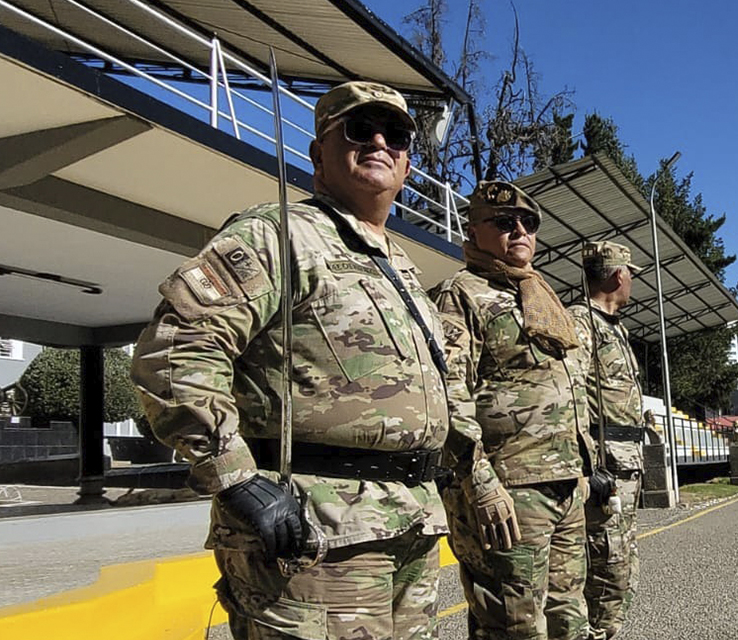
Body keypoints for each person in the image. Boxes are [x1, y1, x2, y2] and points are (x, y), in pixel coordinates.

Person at [132, 81, 452, 639]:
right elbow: (179, 349)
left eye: (396, 134)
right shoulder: (279, 235)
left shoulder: (398, 265)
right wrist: (232, 477)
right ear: (318, 154)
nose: (379, 140)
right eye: (359, 128)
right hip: (311, 538)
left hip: (408, 527)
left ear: (406, 161)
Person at [432, 180, 596, 640]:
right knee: (514, 625)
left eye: (529, 223)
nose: (519, 230)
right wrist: (480, 484)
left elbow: (570, 390)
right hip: (509, 490)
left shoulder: (540, 294)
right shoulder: (462, 294)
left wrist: (583, 469)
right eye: (504, 223)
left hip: (564, 483)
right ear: (475, 232)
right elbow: (449, 395)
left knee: (569, 617)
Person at [567, 241, 646, 640]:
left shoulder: (616, 328)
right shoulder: (581, 322)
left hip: (627, 463)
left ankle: (608, 631)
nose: (631, 281)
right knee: (606, 566)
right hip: (606, 466)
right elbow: (573, 391)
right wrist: (588, 463)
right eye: (630, 274)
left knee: (623, 564)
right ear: (619, 276)